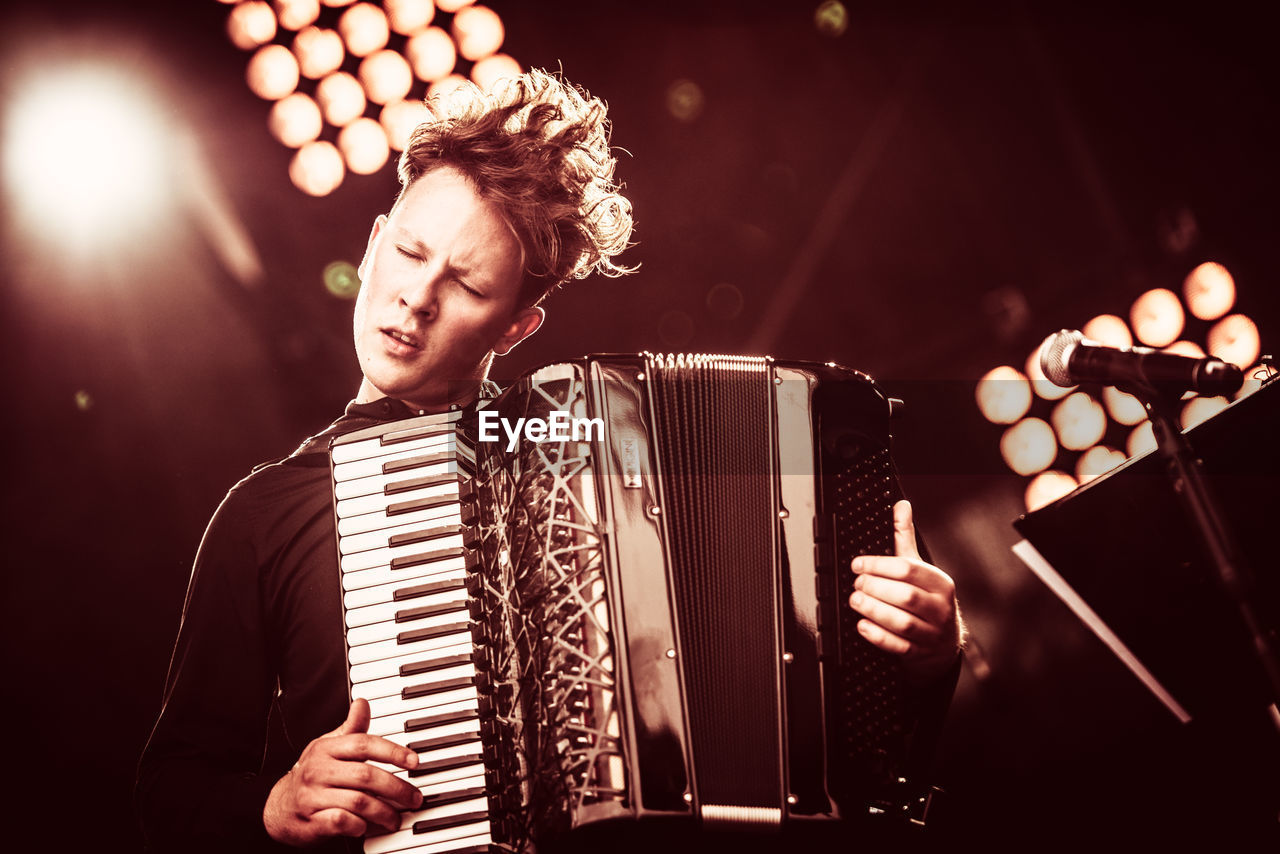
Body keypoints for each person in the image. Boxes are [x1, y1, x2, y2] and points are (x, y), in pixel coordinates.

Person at [137, 69, 962, 853]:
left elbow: (836, 730)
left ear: (515, 329)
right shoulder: (264, 514)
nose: (417, 298)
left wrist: (928, 653)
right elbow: (171, 793)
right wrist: (274, 803)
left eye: (465, 284)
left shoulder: (607, 453)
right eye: (412, 253)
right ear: (377, 240)